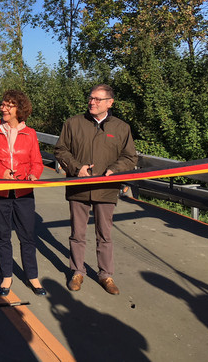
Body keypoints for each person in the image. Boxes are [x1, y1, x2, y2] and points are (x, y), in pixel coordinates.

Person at [54, 84, 137, 295]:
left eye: (98, 99)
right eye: (91, 98)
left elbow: (130, 157)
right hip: (78, 187)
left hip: (106, 189)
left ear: (110, 103)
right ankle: (77, 271)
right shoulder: (73, 123)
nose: (92, 102)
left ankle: (106, 275)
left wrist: (114, 169)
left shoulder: (121, 128)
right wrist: (76, 168)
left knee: (105, 234)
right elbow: (60, 150)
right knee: (77, 233)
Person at [0, 90, 46, 297]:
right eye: (3, 104)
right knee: (3, 235)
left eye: (9, 105)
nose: (3, 108)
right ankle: (6, 275)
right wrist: (1, 172)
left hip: (24, 191)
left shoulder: (30, 134)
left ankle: (32, 276)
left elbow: (37, 162)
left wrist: (34, 174)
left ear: (19, 109)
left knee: (27, 236)